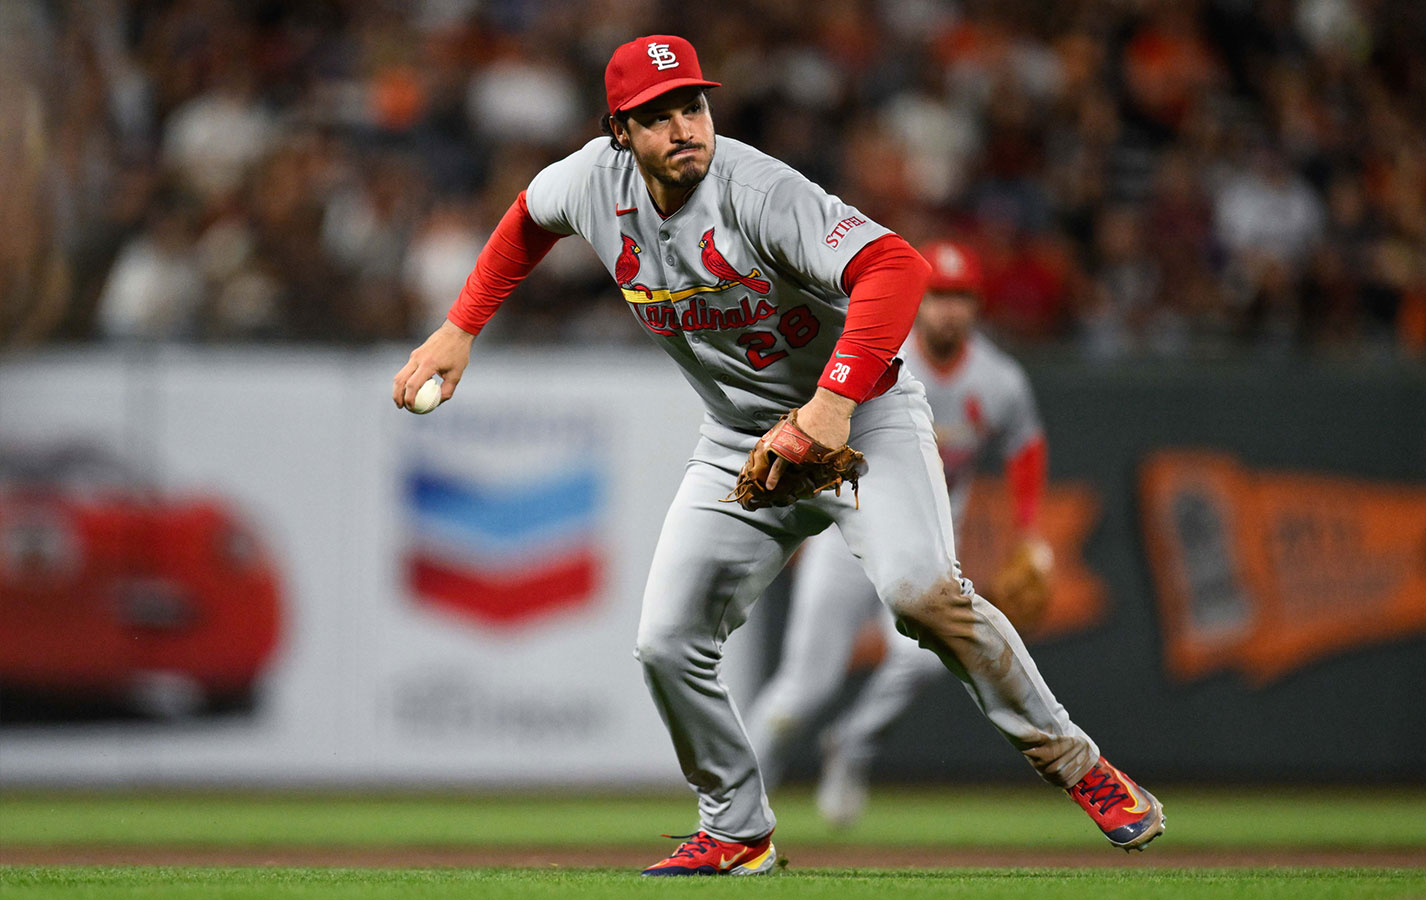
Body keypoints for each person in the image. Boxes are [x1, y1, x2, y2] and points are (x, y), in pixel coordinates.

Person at [393, 35, 1164, 877]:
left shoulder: (755, 189)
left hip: (862, 419)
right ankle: (736, 827)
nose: (685, 126)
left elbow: (894, 268)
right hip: (737, 440)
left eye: (693, 105)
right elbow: (524, 221)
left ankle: (1080, 767)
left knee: (921, 595)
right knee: (666, 641)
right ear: (620, 131)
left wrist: (830, 408)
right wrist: (460, 327)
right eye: (658, 116)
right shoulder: (588, 182)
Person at [744, 240, 1056, 828]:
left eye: (961, 297)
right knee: (803, 690)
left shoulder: (999, 380)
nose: (948, 310)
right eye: (939, 295)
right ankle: (737, 802)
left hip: (923, 541)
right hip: (845, 532)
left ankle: (853, 743)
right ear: (919, 297)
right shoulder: (880, 353)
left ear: (977, 306)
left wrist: (1029, 533)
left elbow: (1026, 447)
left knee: (924, 660)